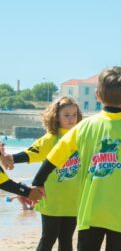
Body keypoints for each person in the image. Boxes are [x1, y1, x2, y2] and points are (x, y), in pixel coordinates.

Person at [31, 66, 121, 251]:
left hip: (90, 210)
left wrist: (38, 181)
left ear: (98, 95)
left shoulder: (84, 126)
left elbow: (54, 157)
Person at [0, 96, 83, 251]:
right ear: (56, 117)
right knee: (48, 238)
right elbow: (30, 154)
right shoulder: (50, 139)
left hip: (73, 199)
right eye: (66, 115)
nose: (72, 119)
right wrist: (10, 159)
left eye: (74, 114)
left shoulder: (81, 138)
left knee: (67, 239)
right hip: (51, 198)